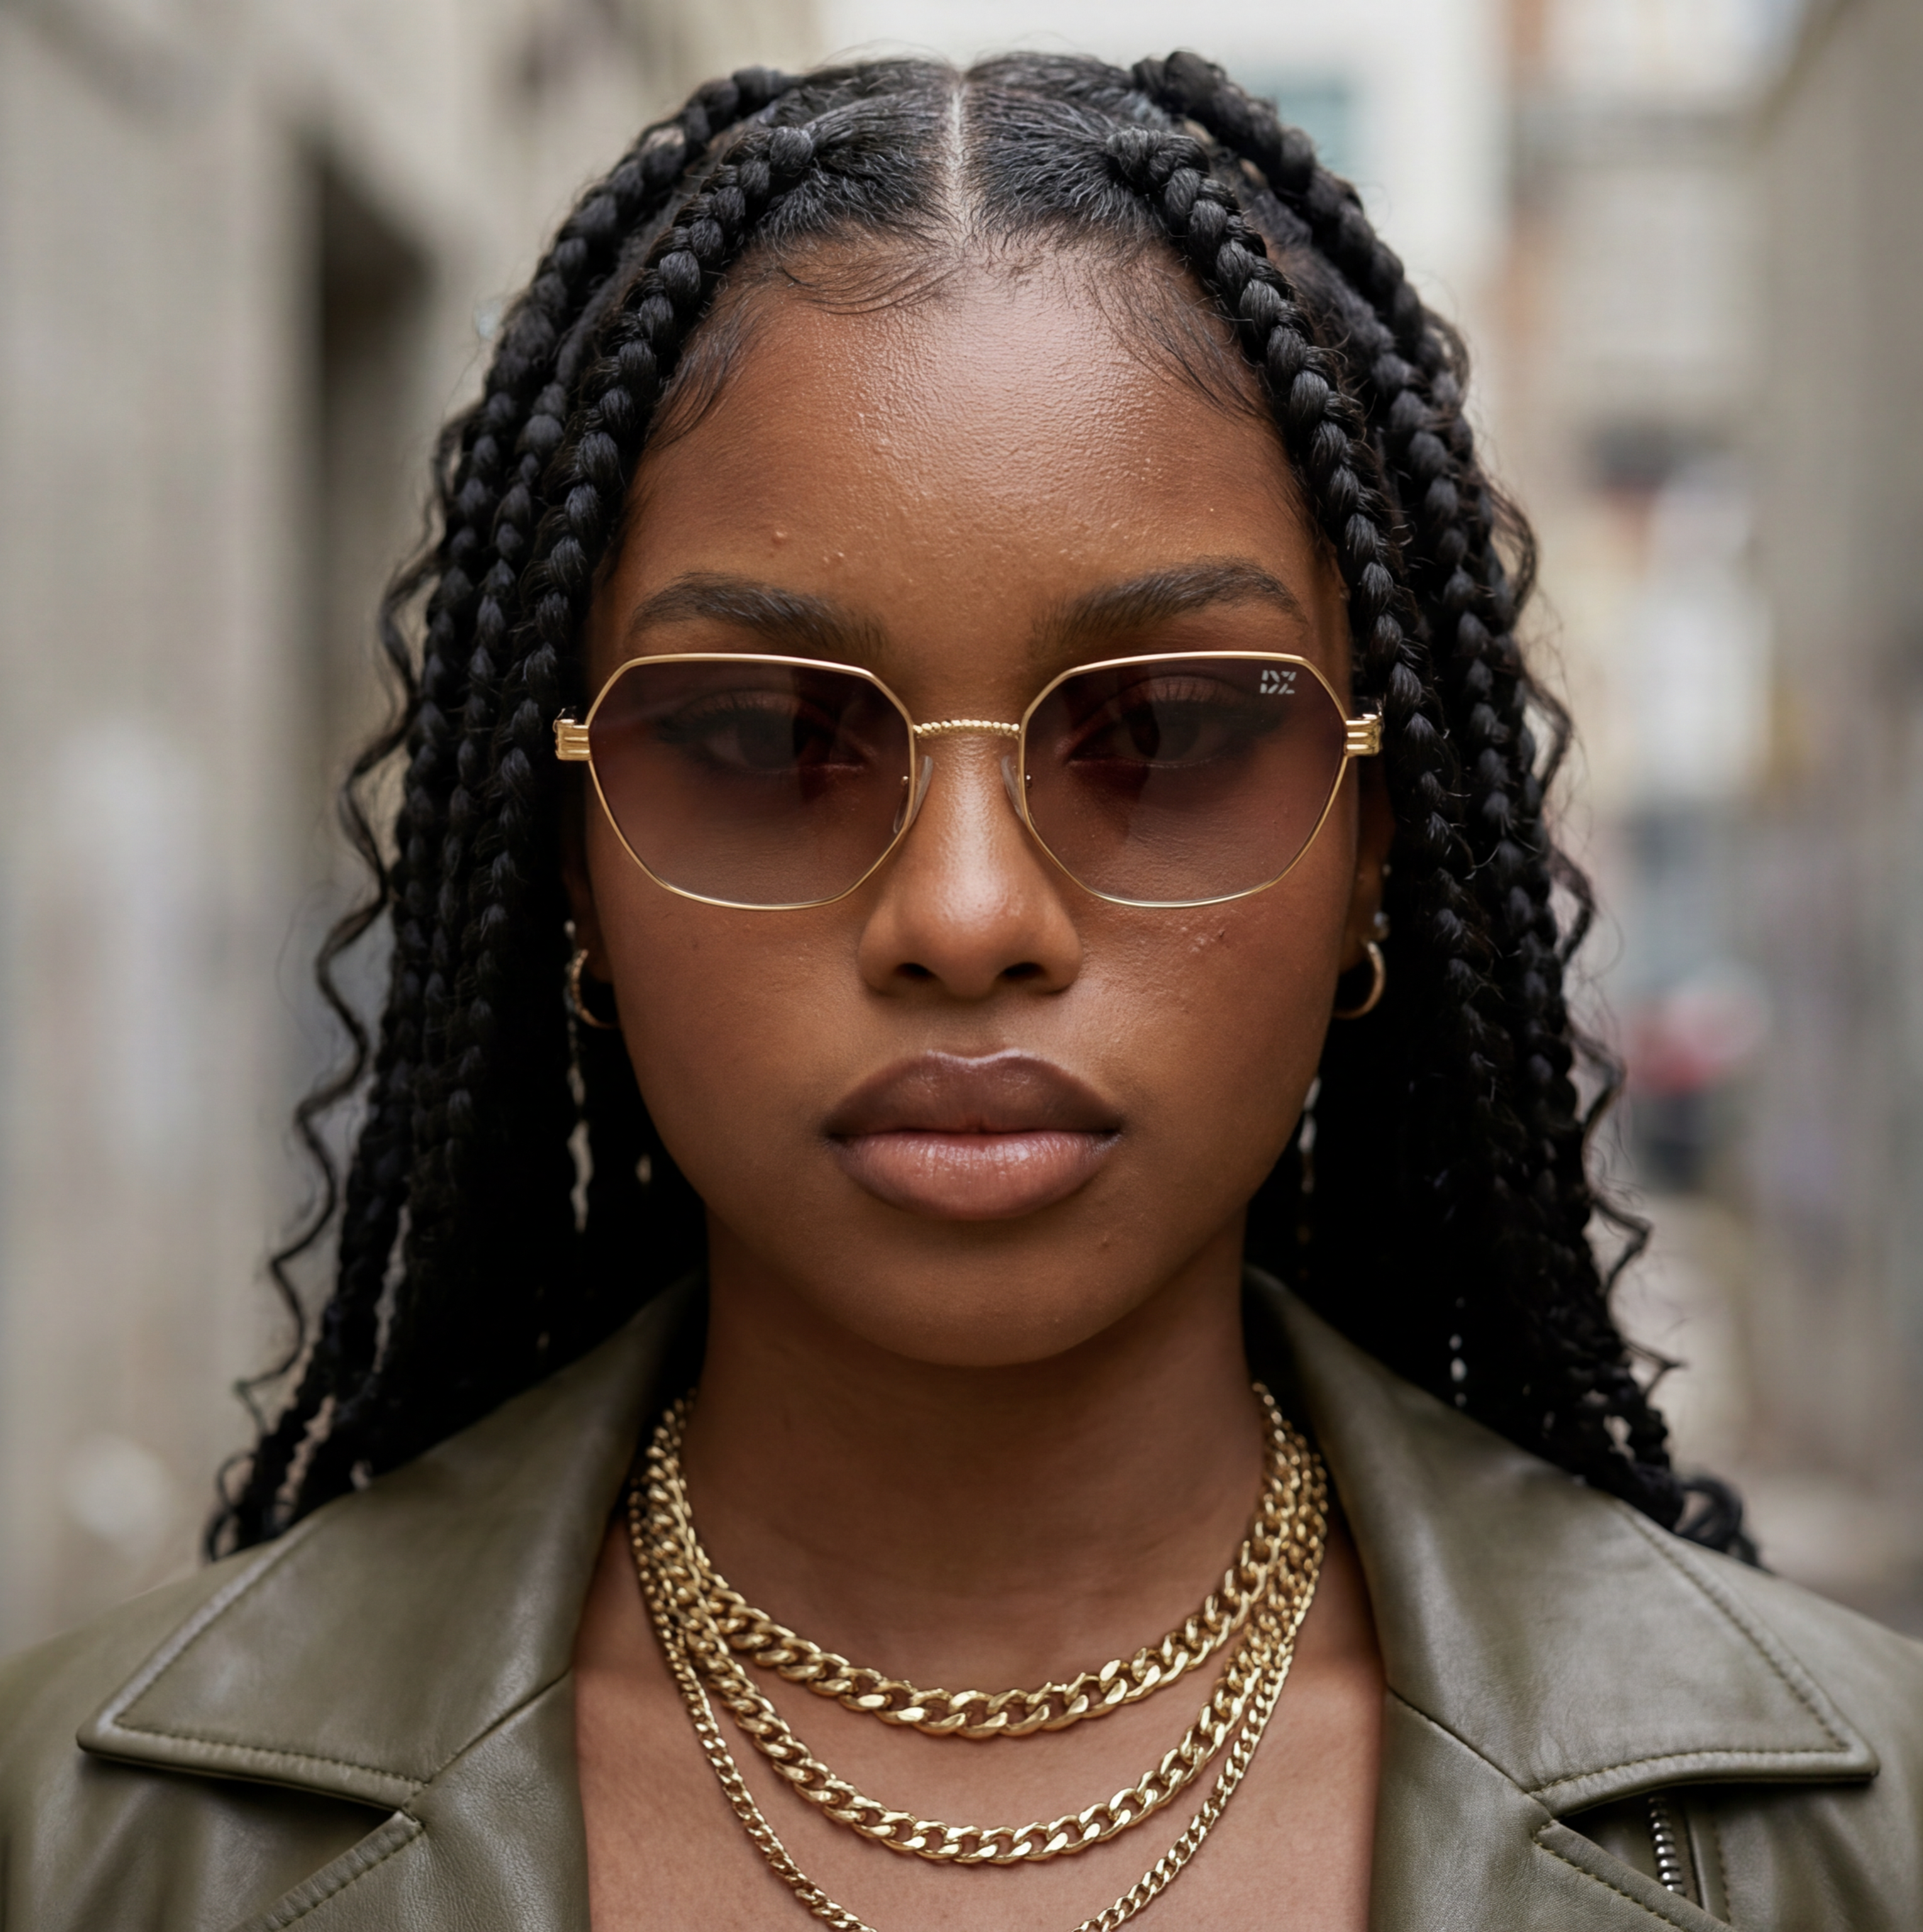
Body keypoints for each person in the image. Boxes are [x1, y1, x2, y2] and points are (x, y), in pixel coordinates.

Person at [1, 51, 1917, 1932]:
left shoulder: (1845, 1839)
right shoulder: (90, 1836)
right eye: (759, 738)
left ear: (1376, 855)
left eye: (1164, 733)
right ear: (565, 854)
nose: (968, 911)